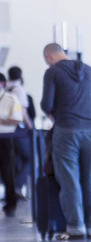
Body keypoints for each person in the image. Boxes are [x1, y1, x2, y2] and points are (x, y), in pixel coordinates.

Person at [40, 43, 91, 239]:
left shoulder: (52, 72)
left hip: (66, 131)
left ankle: (76, 226)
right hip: (90, 131)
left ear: (49, 57)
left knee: (69, 180)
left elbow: (47, 104)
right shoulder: (88, 70)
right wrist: (82, 102)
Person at [6, 66, 34, 198]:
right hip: (18, 128)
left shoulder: (6, 88)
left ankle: (14, 189)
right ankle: (16, 186)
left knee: (17, 159)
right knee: (31, 157)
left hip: (7, 129)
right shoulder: (19, 89)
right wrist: (30, 125)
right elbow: (21, 110)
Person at [0, 73, 22, 217]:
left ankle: (11, 201)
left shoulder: (11, 99)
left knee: (7, 170)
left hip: (6, 138)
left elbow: (16, 120)